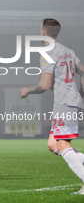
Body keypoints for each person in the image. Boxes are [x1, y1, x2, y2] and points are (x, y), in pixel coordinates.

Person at [20, 18, 84, 195]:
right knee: (52, 145)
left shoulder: (48, 53)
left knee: (63, 145)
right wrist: (81, 92)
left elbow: (44, 85)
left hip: (64, 103)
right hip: (70, 101)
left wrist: (27, 90)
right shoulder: (68, 51)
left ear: (43, 32)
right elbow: (82, 70)